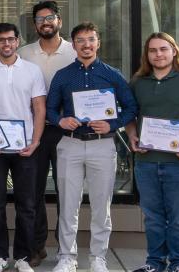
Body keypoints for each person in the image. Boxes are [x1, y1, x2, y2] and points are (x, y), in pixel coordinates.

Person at [45, 22, 138, 272]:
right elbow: (50, 110)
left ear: (98, 43)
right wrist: (60, 120)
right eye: (81, 40)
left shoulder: (112, 74)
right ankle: (67, 256)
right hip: (70, 144)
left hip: (102, 145)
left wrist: (113, 125)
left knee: (101, 205)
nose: (86, 45)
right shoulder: (63, 75)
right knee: (68, 204)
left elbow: (131, 107)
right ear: (73, 44)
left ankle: (98, 257)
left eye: (91, 39)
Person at [123, 33, 179, 272]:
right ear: (147, 55)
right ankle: (154, 262)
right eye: (153, 50)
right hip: (146, 161)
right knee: (152, 217)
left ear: (174, 50)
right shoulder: (138, 82)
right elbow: (129, 115)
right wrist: (132, 135)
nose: (158, 54)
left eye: (163, 49)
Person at [0, 23, 47, 272]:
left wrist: (35, 142)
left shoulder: (32, 71)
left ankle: (23, 257)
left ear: (18, 41)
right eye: (1, 40)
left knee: (27, 205)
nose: (6, 44)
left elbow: (39, 108)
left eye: (11, 40)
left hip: (25, 148)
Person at [18, 0, 76, 267]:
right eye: (40, 19)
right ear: (34, 25)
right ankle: (36, 246)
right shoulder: (24, 53)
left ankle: (66, 249)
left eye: (50, 17)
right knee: (34, 191)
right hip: (35, 131)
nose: (46, 22)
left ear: (59, 21)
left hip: (68, 131)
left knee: (67, 191)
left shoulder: (75, 51)